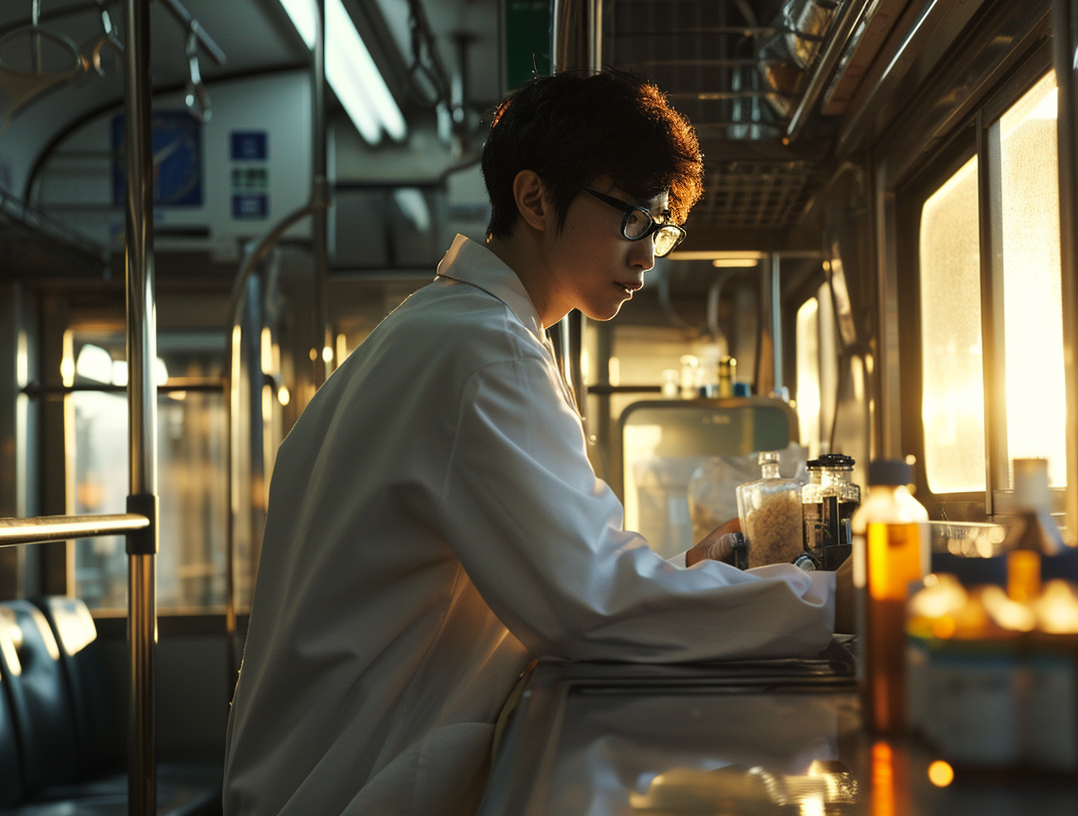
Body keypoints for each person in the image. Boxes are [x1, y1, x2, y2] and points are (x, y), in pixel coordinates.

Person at [222, 70, 852, 816]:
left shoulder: (444, 331)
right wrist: (832, 598)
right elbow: (590, 606)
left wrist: (681, 575)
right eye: (635, 220)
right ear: (535, 199)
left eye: (662, 230)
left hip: (316, 767)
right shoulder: (486, 353)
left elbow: (568, 578)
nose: (648, 256)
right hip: (351, 780)